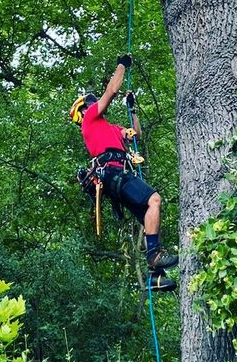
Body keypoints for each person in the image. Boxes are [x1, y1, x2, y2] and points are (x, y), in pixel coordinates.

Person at [70, 54, 178, 292]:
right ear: (83, 110)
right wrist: (122, 65)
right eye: (90, 103)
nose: (94, 104)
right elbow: (110, 92)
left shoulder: (110, 128)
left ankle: (155, 277)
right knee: (154, 199)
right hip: (111, 175)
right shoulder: (89, 120)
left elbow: (135, 134)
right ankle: (155, 256)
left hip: (117, 176)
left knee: (150, 215)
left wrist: (133, 109)